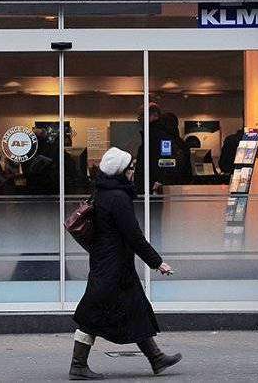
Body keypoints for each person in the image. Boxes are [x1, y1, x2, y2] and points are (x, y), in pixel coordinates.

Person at [69, 147, 182, 380]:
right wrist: (157, 262)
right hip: (113, 267)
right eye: (131, 168)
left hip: (109, 263)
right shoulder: (118, 198)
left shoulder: (101, 192)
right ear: (121, 171)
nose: (133, 172)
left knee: (134, 308)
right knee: (92, 315)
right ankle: (78, 365)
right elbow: (133, 236)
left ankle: (156, 358)